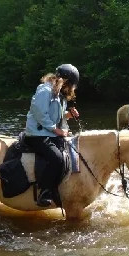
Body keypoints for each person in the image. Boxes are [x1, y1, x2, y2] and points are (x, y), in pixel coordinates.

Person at [24, 64, 80, 207]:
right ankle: (45, 191)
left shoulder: (59, 95)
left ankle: (56, 187)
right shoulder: (45, 90)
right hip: (37, 135)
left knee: (67, 154)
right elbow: (39, 113)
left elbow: (55, 116)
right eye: (71, 84)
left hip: (49, 133)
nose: (72, 88)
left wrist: (68, 115)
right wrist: (57, 130)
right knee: (57, 158)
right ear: (65, 80)